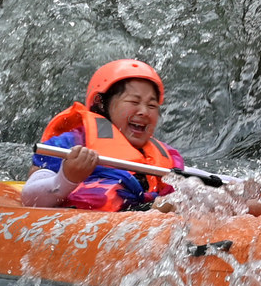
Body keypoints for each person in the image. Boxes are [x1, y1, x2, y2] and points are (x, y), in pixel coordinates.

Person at [21, 59, 184, 212]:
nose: (144, 112)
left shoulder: (167, 157)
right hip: (85, 223)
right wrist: (67, 178)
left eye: (152, 105)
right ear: (101, 102)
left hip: (140, 220)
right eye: (134, 102)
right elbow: (30, 199)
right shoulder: (71, 143)